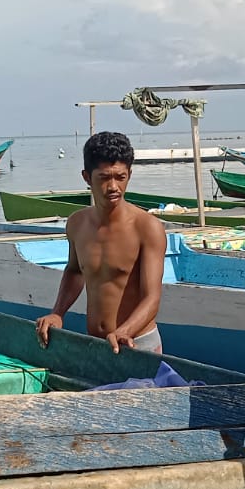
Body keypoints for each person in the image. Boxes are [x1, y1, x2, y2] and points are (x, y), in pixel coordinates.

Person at [34, 131, 166, 353]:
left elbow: (152, 297)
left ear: (129, 175)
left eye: (120, 177)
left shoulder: (147, 227)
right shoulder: (77, 223)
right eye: (104, 178)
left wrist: (125, 331)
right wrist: (58, 313)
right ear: (87, 177)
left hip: (137, 344)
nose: (113, 186)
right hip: (97, 344)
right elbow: (75, 271)